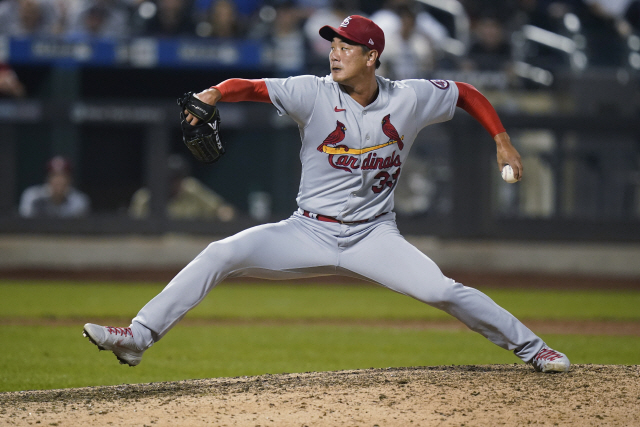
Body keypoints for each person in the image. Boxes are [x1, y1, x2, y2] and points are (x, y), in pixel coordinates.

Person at [83, 15, 570, 373]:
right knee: (220, 253)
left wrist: (501, 139)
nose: (335, 52)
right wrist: (213, 93)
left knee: (442, 290)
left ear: (372, 57)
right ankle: (139, 336)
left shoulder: (409, 96)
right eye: (333, 43)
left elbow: (465, 92)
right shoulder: (311, 92)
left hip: (374, 236)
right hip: (307, 230)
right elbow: (250, 87)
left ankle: (535, 348)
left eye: (347, 46)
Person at [128, 154, 235, 221]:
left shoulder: (191, 189)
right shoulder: (145, 196)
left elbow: (223, 210)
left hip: (189, 245)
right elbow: (133, 227)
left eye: (178, 179)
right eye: (170, 180)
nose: (174, 184)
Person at [19, 156, 90, 218]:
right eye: (54, 176)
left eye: (63, 176)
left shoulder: (79, 200)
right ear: (48, 178)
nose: (59, 180)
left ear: (70, 179)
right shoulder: (32, 195)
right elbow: (23, 223)